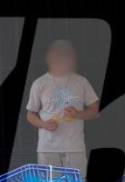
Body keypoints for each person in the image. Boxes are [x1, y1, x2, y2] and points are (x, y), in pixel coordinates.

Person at [25, 39, 99, 171]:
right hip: (47, 148)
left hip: (75, 148)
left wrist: (78, 114)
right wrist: (44, 124)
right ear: (49, 58)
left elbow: (96, 110)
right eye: (58, 55)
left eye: (66, 55)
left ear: (72, 58)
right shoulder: (39, 83)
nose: (62, 58)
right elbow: (30, 114)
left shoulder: (81, 82)